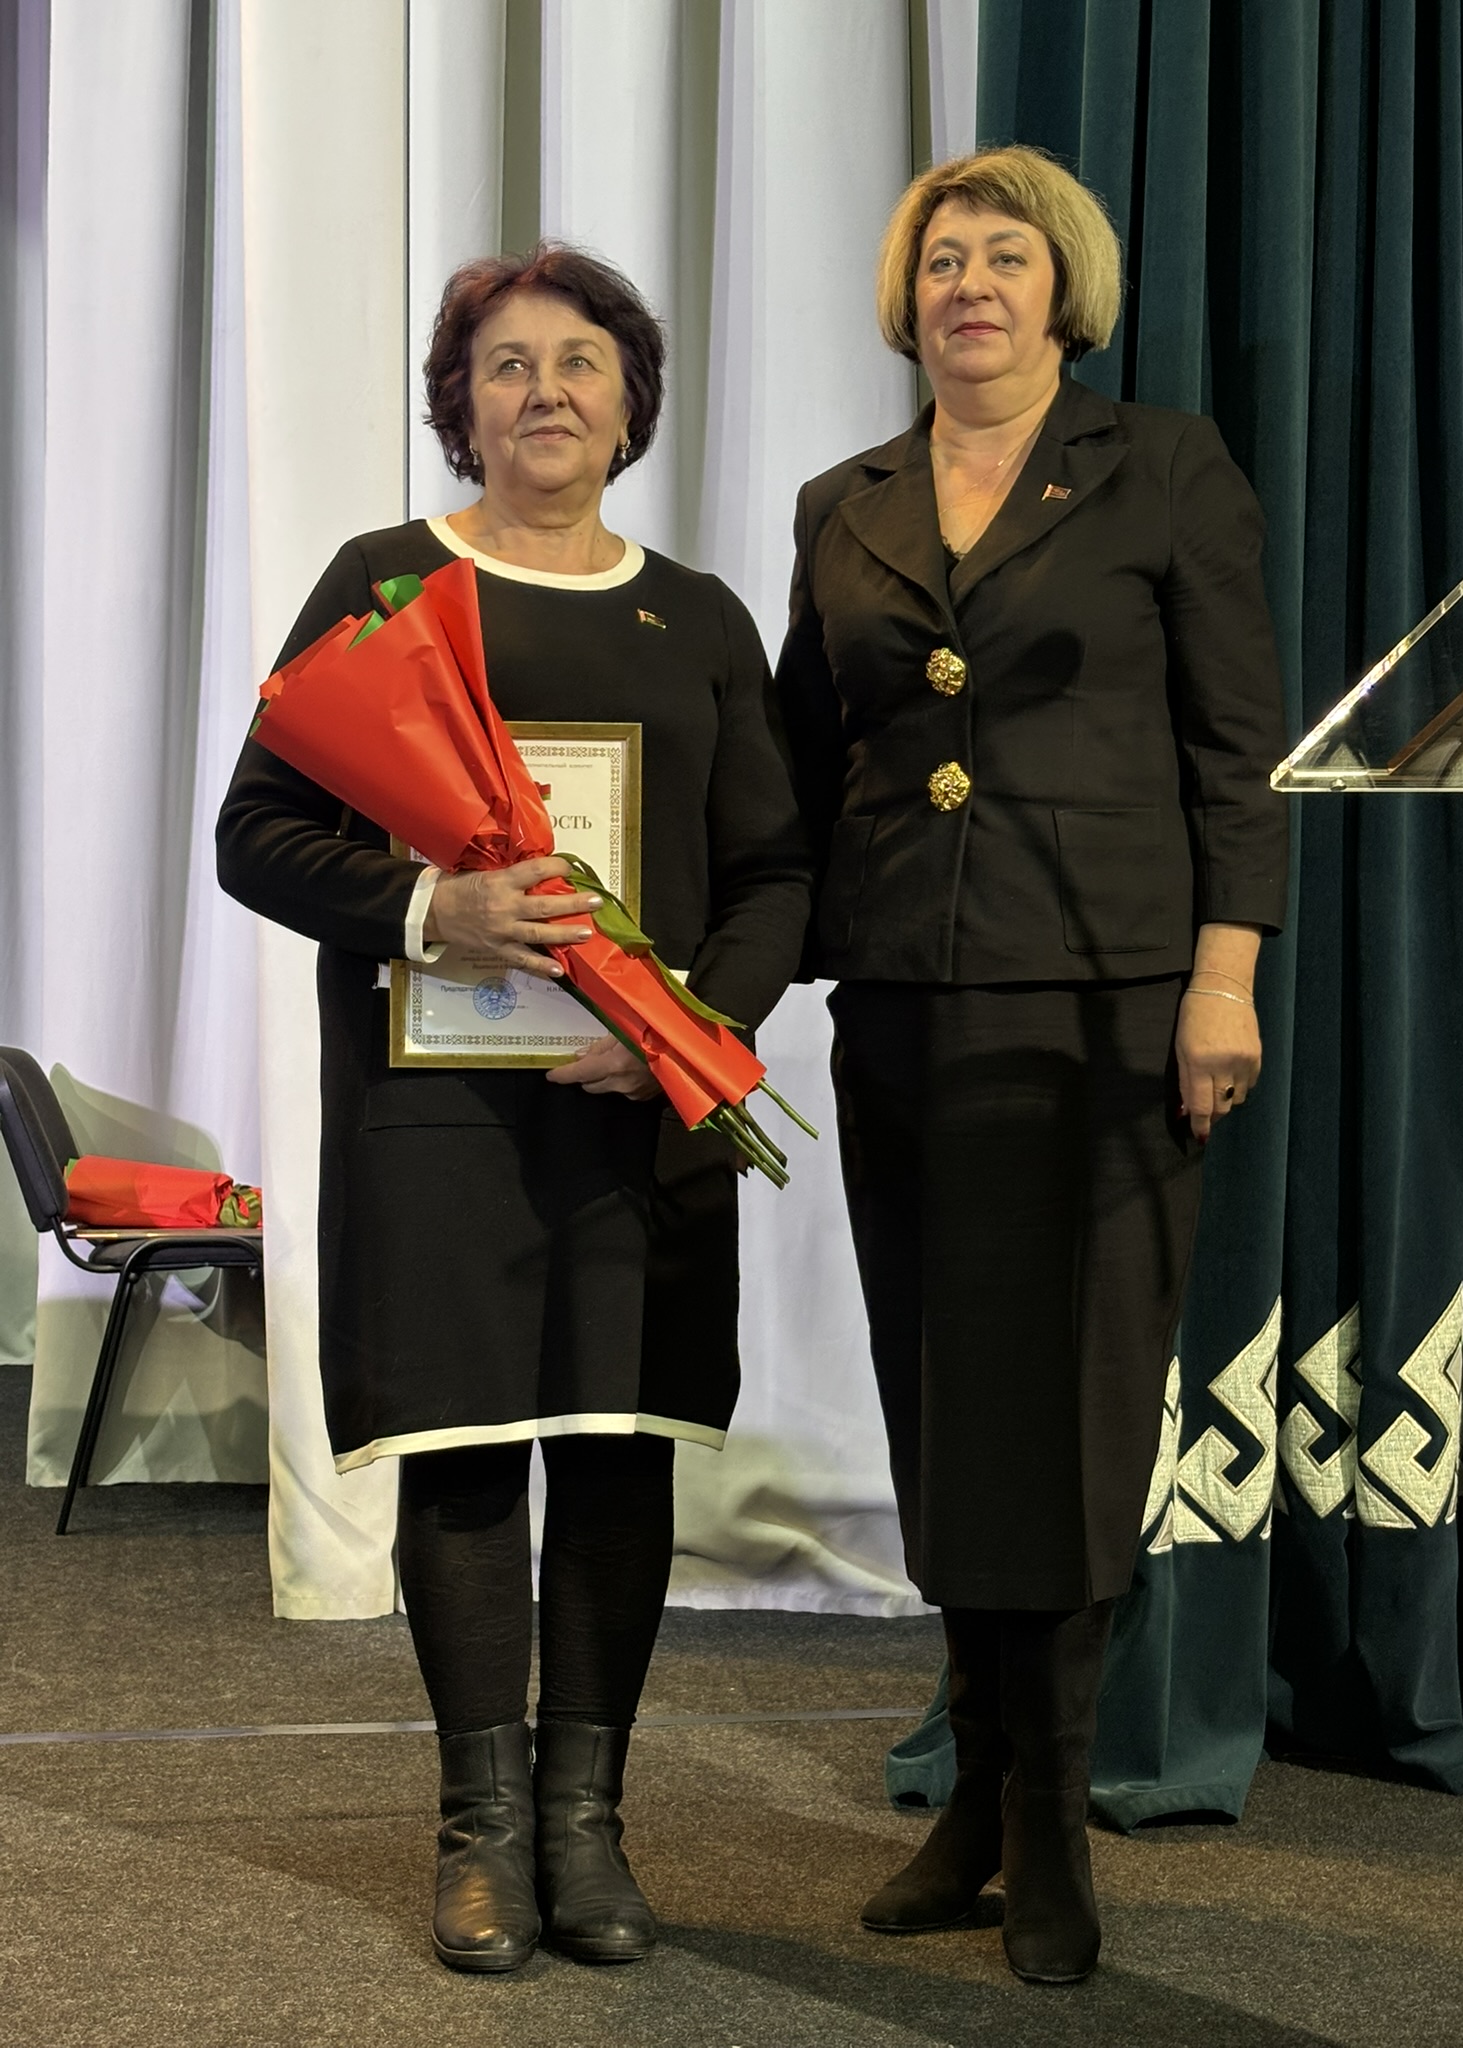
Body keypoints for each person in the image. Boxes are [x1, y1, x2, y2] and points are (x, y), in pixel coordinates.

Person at [217, 246, 808, 1973]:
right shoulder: (387, 581)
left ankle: (585, 1829)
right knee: (467, 1447)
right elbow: (260, 834)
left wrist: (691, 1030)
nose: (545, 390)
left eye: (579, 362)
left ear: (630, 404)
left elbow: (776, 874)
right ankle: (479, 1834)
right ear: (458, 406)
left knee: (620, 1450)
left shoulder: (701, 618)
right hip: (436, 1113)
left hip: (640, 1112)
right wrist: (429, 911)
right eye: (505, 364)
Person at [774, 146, 1289, 1985]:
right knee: (943, 1400)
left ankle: (1054, 1812)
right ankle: (978, 1786)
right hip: (906, 1002)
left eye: (1004, 257)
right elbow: (802, 768)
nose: (968, 286)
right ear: (905, 299)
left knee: (1071, 1407)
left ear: (1065, 291)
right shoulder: (842, 503)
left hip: (1110, 1008)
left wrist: (1223, 978)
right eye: (941, 260)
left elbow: (1239, 747)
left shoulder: (1167, 467)